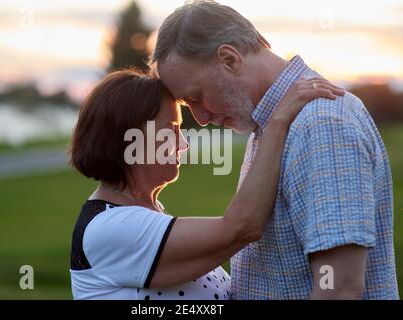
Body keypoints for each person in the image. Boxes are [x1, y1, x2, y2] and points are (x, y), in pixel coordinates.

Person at [151, 0, 398, 299]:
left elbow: (339, 286)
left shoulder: (320, 124)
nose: (201, 118)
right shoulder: (273, 125)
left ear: (229, 59)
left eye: (196, 97)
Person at [68, 68, 341, 300]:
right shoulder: (109, 228)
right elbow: (242, 227)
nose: (183, 144)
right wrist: (277, 122)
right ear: (130, 138)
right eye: (172, 130)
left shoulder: (140, 214)